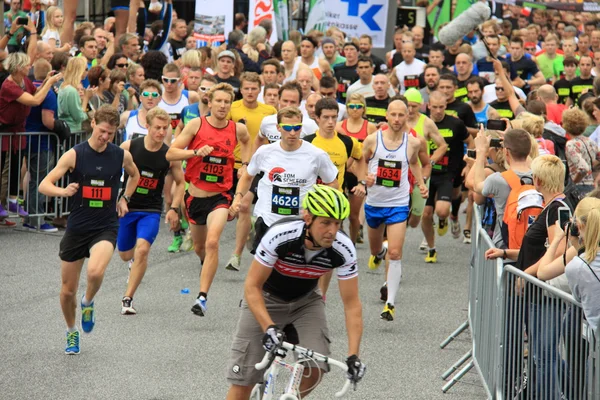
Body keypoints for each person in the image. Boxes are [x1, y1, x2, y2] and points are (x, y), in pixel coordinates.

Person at [225, 185, 365, 400]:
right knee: (243, 381)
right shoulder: (281, 235)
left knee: (316, 369)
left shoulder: (343, 248)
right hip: (266, 298)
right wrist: (268, 328)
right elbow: (252, 286)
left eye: (337, 223)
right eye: (326, 222)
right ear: (307, 218)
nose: (332, 231)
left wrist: (353, 355)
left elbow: (352, 304)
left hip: (306, 302)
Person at [38, 105, 140, 354]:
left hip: (105, 226)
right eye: (102, 131)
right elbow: (44, 185)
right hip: (78, 226)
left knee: (95, 271)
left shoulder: (120, 155)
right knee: (66, 291)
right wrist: (63, 191)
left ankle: (88, 302)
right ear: (93, 123)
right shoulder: (75, 154)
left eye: (111, 133)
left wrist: (125, 198)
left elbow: (135, 175)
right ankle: (72, 331)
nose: (105, 137)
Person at [485, 155, 568, 400]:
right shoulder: (550, 207)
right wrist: (505, 252)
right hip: (536, 289)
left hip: (543, 293)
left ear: (539, 180)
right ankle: (573, 390)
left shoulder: (557, 209)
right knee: (543, 354)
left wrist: (525, 275)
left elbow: (556, 252)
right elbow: (538, 249)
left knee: (543, 356)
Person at [166, 83, 250, 317]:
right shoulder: (196, 125)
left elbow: (247, 141)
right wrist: (195, 152)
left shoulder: (236, 129)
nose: (223, 106)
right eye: (219, 101)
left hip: (220, 197)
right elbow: (171, 153)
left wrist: (244, 165)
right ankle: (206, 262)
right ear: (210, 103)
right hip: (194, 197)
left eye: (227, 102)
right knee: (201, 247)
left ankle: (202, 297)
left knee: (213, 242)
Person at [231, 106, 339, 254]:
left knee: (292, 270)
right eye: (287, 127)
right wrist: (238, 198)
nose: (293, 132)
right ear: (278, 128)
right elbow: (248, 176)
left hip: (300, 223)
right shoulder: (265, 152)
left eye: (297, 127)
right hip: (268, 220)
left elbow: (333, 182)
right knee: (265, 272)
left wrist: (321, 206)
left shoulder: (316, 155)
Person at [359, 100, 428, 321]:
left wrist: (420, 183)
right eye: (394, 115)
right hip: (374, 203)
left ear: (407, 116)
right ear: (387, 116)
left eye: (402, 115)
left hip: (399, 203)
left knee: (396, 253)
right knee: (376, 249)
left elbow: (415, 163)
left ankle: (390, 303)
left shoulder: (413, 143)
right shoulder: (372, 140)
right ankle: (379, 253)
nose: (397, 119)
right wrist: (364, 179)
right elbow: (359, 162)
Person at [117, 107, 184, 314]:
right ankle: (133, 263)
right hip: (128, 207)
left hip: (151, 209)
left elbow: (181, 183)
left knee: (143, 249)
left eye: (165, 128)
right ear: (147, 126)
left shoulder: (169, 155)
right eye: (157, 127)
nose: (161, 132)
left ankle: (127, 298)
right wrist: (118, 198)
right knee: (125, 255)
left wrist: (173, 208)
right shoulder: (129, 147)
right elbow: (113, 173)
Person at [225, 72, 277, 271]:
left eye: (254, 88)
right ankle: (249, 228)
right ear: (241, 89)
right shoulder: (233, 108)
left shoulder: (269, 110)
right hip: (235, 163)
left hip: (259, 165)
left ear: (259, 90)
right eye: (246, 88)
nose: (249, 92)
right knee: (235, 208)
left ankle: (235, 255)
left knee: (244, 205)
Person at [0, 52, 62, 219]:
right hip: (5, 131)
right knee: (2, 168)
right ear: (19, 67)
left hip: (18, 131)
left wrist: (45, 82)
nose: (30, 67)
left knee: (15, 166)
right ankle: (2, 203)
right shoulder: (9, 86)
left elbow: (36, 94)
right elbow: (34, 101)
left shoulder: (25, 81)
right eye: (27, 65)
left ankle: (13, 201)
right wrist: (49, 83)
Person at [422, 91, 473, 263]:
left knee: (442, 210)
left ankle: (445, 218)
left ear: (446, 106)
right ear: (428, 105)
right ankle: (432, 248)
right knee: (426, 213)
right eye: (434, 107)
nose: (437, 111)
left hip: (447, 172)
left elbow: (470, 141)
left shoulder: (456, 123)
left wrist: (469, 163)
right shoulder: (422, 123)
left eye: (441, 107)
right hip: (426, 173)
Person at [336, 92, 377, 243]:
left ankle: (351, 244)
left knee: (354, 215)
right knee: (338, 212)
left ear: (363, 109)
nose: (354, 109)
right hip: (342, 170)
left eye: (358, 106)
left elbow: (374, 151)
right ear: (346, 108)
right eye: (351, 106)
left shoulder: (370, 127)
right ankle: (338, 241)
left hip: (359, 172)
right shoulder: (339, 126)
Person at [563, 108, 600, 196]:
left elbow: (583, 168)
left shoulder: (571, 144)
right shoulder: (590, 141)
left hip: (579, 187)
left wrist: (573, 182)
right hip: (592, 184)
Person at [58, 56, 95, 132]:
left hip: (69, 130)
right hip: (72, 132)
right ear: (80, 71)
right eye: (86, 69)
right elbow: (80, 117)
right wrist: (86, 99)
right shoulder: (71, 90)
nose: (87, 72)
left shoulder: (63, 86)